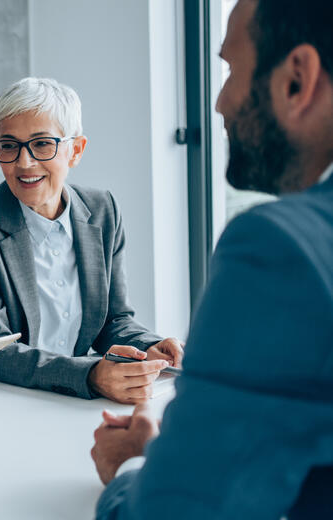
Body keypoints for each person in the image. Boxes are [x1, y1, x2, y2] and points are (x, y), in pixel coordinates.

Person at [91, 0, 333, 517]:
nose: (219, 103)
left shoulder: (280, 249)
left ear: (297, 78)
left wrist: (133, 465)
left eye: (229, 70)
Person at [0, 77, 182, 403]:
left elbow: (114, 319)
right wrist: (89, 375)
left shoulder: (103, 209)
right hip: (7, 400)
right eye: (9, 145)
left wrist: (148, 345)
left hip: (73, 401)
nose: (24, 163)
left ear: (76, 150)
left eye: (42, 144)